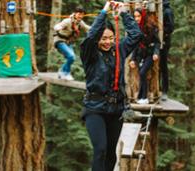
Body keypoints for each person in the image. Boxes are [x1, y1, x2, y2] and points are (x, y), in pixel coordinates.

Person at [80, 1, 142, 171]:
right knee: (100, 150)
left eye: (110, 38)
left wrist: (123, 13)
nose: (107, 42)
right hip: (94, 108)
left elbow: (136, 35)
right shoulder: (89, 53)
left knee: (111, 153)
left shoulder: (119, 50)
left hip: (115, 109)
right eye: (103, 38)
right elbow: (90, 37)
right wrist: (104, 11)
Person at [129, 8, 160, 104]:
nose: (136, 18)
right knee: (141, 74)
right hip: (140, 55)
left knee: (142, 72)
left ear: (143, 16)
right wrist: (133, 59)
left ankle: (145, 97)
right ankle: (140, 97)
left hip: (150, 54)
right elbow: (135, 44)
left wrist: (155, 52)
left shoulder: (150, 27)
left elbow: (157, 42)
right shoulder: (135, 28)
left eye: (138, 16)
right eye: (135, 16)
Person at [54, 6, 90, 80]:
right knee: (71, 56)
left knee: (71, 58)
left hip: (68, 43)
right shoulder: (67, 21)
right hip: (60, 40)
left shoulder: (80, 23)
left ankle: (63, 72)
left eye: (82, 14)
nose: (81, 16)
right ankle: (65, 73)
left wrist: (98, 28)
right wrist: (57, 27)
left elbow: (87, 27)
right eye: (79, 14)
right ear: (75, 13)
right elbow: (58, 26)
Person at [160, 0, 174, 100]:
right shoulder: (158, 7)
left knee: (163, 65)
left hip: (164, 42)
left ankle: (164, 91)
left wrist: (161, 31)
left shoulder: (167, 11)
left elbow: (170, 27)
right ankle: (157, 89)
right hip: (155, 41)